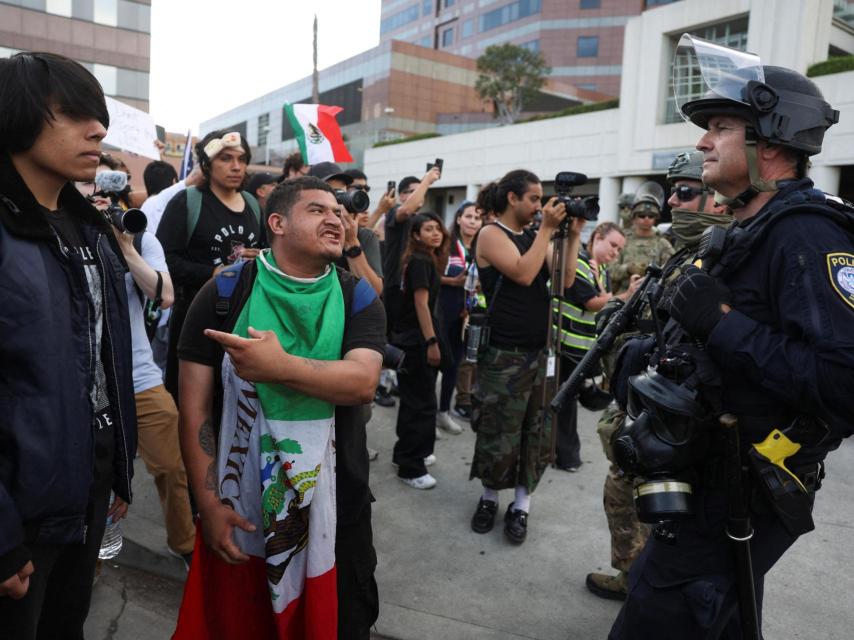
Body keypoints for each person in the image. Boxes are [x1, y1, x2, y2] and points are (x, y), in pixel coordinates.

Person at [609, 38, 854, 638]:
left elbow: (844, 384)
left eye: (719, 127)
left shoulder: (806, 237)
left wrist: (722, 323)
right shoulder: (737, 232)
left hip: (742, 492)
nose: (701, 142)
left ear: (769, 141)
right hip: (702, 483)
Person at [174, 176, 385, 639]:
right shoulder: (225, 293)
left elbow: (363, 382)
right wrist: (209, 506)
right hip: (241, 507)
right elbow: (194, 413)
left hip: (338, 506)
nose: (334, 218)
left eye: (337, 211)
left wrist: (279, 366)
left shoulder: (358, 296)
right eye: (316, 210)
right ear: (277, 223)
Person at [0, 51, 137, 638]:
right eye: (74, 114)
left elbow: (107, 355)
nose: (98, 130)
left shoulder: (89, 227)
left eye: (98, 115)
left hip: (89, 481)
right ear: (18, 116)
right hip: (20, 505)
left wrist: (120, 468)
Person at [585, 151, 732, 602]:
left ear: (718, 201)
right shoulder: (689, 253)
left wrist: (616, 312)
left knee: (650, 512)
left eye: (685, 192)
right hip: (650, 407)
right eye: (670, 192)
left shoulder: (718, 259)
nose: (670, 202)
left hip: (676, 420)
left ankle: (644, 586)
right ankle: (634, 577)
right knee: (627, 499)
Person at [468, 169, 584, 544]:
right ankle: (489, 497)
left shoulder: (536, 234)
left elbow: (564, 280)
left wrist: (575, 233)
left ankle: (521, 505)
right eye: (533, 198)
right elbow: (522, 272)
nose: (539, 205)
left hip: (540, 351)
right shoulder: (490, 234)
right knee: (497, 431)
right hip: (504, 354)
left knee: (535, 431)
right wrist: (548, 229)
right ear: (512, 198)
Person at [156, 130, 263, 405]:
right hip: (195, 322)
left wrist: (262, 256)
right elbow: (164, 258)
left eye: (241, 159)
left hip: (243, 322)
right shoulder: (186, 202)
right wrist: (212, 273)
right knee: (191, 406)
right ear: (206, 164)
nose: (236, 166)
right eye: (226, 158)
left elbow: (265, 253)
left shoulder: (253, 205)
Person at [553, 221, 631, 474]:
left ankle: (563, 454)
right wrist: (628, 294)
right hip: (564, 346)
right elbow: (592, 303)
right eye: (612, 245)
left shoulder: (601, 268)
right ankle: (565, 456)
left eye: (619, 249)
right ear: (597, 237)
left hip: (581, 347)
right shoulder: (578, 262)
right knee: (563, 404)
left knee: (570, 402)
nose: (614, 252)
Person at [390, 212, 449, 489]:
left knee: (414, 400)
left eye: (438, 228)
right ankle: (411, 467)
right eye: (428, 229)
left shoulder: (420, 260)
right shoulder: (420, 261)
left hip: (409, 339)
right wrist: (431, 342)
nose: (436, 233)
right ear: (415, 234)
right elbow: (421, 304)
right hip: (416, 342)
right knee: (422, 404)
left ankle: (406, 454)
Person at [437, 200, 482, 431]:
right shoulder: (447, 245)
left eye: (477, 218)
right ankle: (428, 414)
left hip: (465, 315)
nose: (473, 222)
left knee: (455, 365)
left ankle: (444, 412)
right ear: (458, 219)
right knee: (436, 363)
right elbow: (431, 275)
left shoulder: (481, 248)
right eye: (469, 217)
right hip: (442, 311)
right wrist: (452, 281)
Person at [310, 162, 384, 296]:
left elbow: (373, 292)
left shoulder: (364, 236)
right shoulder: (304, 234)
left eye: (341, 192)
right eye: (331, 192)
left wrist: (351, 243)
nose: (337, 199)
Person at [608, 189, 673, 294]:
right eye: (642, 215)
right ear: (634, 217)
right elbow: (609, 270)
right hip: (623, 294)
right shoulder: (622, 240)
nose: (646, 219)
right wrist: (628, 269)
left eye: (651, 216)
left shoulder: (663, 243)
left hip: (651, 295)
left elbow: (671, 273)